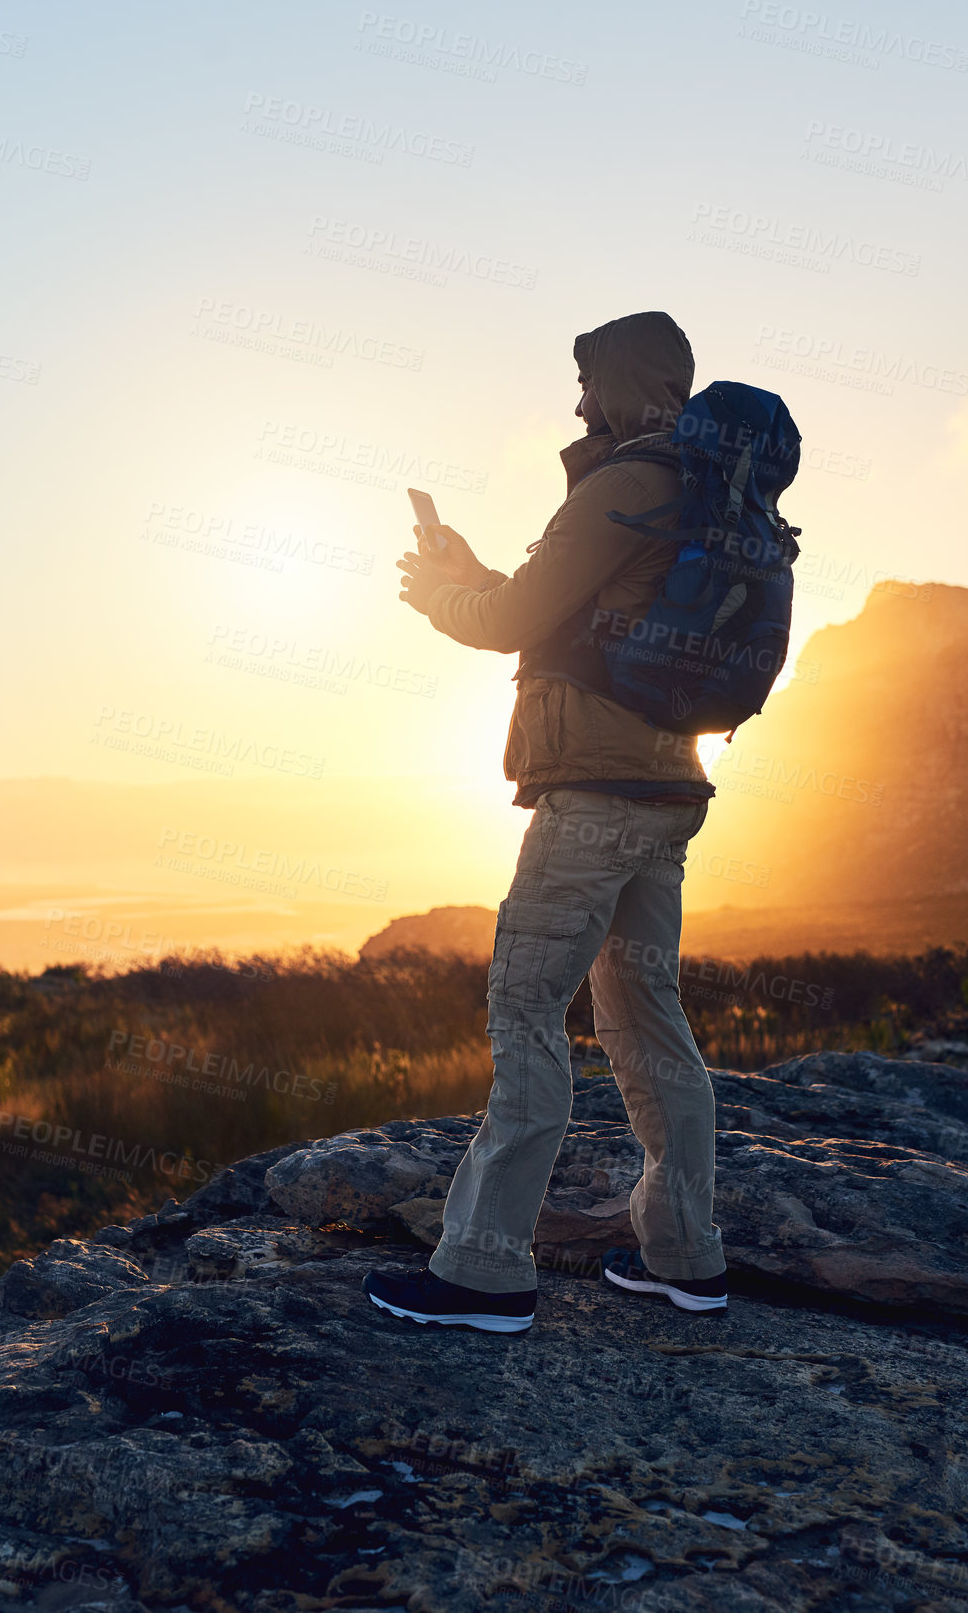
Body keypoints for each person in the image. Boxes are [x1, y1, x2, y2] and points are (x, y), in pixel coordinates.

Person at [363, 311, 727, 1334]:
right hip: (669, 793)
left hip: (594, 797)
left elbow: (513, 624)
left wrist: (442, 592)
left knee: (528, 1007)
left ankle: (483, 1273)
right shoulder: (704, 486)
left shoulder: (623, 484)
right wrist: (473, 570)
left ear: (616, 382)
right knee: (648, 1018)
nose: (575, 403)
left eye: (585, 382)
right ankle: (687, 1257)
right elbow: (570, 618)